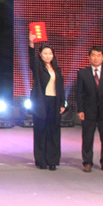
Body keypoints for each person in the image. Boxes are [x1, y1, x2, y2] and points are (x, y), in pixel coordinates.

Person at [76, 46, 103, 173]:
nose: (96, 58)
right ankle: (87, 162)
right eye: (93, 55)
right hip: (88, 111)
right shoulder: (82, 73)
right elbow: (79, 93)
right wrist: (80, 110)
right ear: (89, 58)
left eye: (99, 55)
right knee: (87, 138)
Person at [28, 35, 66, 170]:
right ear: (40, 55)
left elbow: (60, 87)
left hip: (54, 102)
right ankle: (41, 160)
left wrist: (62, 103)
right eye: (45, 53)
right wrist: (31, 43)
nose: (48, 56)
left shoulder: (57, 69)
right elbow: (31, 59)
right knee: (41, 130)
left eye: (50, 53)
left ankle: (53, 160)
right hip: (41, 103)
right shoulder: (38, 67)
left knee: (54, 131)